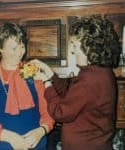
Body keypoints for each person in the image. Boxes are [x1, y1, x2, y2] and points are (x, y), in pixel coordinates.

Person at [30, 15, 121, 150]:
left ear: (89, 47)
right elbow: (71, 92)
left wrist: (47, 83)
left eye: (75, 45)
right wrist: (50, 73)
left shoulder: (91, 78)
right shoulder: (100, 71)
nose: (72, 50)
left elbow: (60, 113)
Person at [0, 22, 54, 150]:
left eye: (22, 46)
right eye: (14, 48)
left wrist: (41, 131)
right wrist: (8, 137)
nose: (20, 53)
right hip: (0, 146)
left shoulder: (33, 73)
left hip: (35, 146)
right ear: (0, 48)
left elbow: (49, 111)